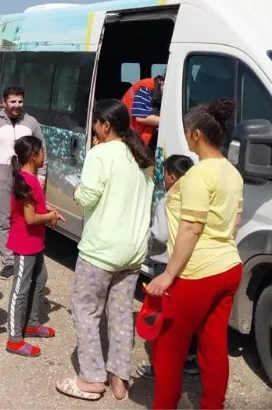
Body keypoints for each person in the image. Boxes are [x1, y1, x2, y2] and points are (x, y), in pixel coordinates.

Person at [146, 99, 244, 410]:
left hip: (197, 273)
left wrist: (168, 274)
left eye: (188, 132)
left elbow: (190, 229)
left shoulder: (200, 176)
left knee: (167, 350)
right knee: (214, 345)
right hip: (229, 266)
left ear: (198, 135)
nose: (187, 137)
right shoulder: (232, 172)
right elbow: (235, 224)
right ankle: (213, 405)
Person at [56, 99, 154, 401]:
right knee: (122, 315)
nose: (94, 128)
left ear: (105, 125)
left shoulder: (100, 154)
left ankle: (91, 379)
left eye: (96, 123)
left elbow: (87, 197)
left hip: (100, 251)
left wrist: (75, 188)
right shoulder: (142, 157)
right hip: (133, 252)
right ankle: (119, 379)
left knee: (86, 312)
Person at [137, 154, 199, 379]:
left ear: (172, 177)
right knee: (186, 316)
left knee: (163, 316)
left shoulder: (168, 201)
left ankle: (159, 366)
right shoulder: (195, 198)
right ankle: (190, 360)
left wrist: (148, 237)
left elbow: (161, 234)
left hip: (165, 264)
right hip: (188, 263)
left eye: (165, 174)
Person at [0, 85, 46, 280]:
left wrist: (41, 175)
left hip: (26, 175)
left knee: (26, 216)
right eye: (12, 102)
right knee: (5, 219)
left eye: (20, 101)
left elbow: (42, 148)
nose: (17, 106)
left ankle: (26, 254)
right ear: (4, 102)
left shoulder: (31, 122)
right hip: (2, 174)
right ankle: (8, 262)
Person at [5, 136, 60, 357]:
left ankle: (32, 323)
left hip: (35, 243)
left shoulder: (32, 179)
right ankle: (14, 339)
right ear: (32, 156)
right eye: (42, 152)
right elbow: (29, 218)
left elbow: (36, 206)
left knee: (41, 279)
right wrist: (49, 216)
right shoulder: (26, 181)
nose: (44, 156)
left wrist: (51, 210)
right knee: (20, 288)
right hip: (24, 243)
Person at [121, 74, 164, 149]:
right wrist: (172, 123)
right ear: (162, 82)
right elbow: (142, 117)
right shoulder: (146, 88)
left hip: (138, 138)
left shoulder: (158, 91)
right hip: (131, 137)